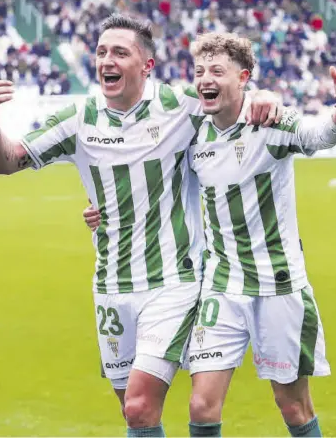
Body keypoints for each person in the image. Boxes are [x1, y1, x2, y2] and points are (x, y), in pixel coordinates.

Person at [0, 14, 281, 437]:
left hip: (172, 281)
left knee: (141, 403)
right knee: (136, 415)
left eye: (120, 52)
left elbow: (229, 103)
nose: (107, 59)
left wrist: (263, 97)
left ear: (147, 65)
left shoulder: (181, 108)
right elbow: (6, 162)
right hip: (110, 287)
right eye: (102, 52)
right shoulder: (80, 117)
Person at [84, 32, 333, 437]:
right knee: (201, 406)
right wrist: (103, 211)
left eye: (217, 71)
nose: (205, 80)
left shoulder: (268, 122)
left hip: (278, 284)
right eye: (199, 72)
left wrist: (281, 101)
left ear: (243, 77)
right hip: (221, 286)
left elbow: (316, 135)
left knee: (293, 407)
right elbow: (152, 176)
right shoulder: (194, 130)